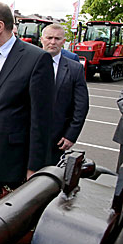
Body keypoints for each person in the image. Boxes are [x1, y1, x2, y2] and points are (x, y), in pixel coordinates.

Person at [0, 2, 55, 216]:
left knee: (5, 227)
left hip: (12, 163)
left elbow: (41, 119)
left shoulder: (36, 59)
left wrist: (35, 167)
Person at [41, 24, 89, 164]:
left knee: (48, 181)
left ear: (64, 41)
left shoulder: (75, 69)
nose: (53, 42)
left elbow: (81, 106)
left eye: (57, 38)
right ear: (42, 39)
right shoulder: (26, 64)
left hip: (56, 139)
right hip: (25, 136)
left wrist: (71, 135)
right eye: (49, 38)